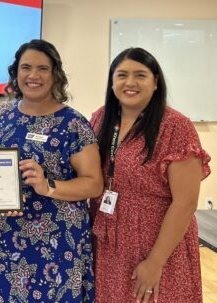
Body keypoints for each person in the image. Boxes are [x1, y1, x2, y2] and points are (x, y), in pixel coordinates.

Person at [0, 39, 103, 302]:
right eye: (26, 67)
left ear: (55, 75)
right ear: (16, 73)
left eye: (42, 68)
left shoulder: (73, 123)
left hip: (57, 244)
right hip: (6, 240)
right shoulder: (3, 114)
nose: (33, 75)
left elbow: (94, 184)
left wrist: (48, 186)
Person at [90, 47, 211, 303]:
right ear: (112, 81)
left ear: (156, 82)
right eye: (121, 75)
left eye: (140, 75)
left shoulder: (176, 127)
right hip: (109, 243)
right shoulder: (101, 118)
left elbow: (185, 202)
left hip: (158, 245)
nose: (130, 82)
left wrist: (155, 262)